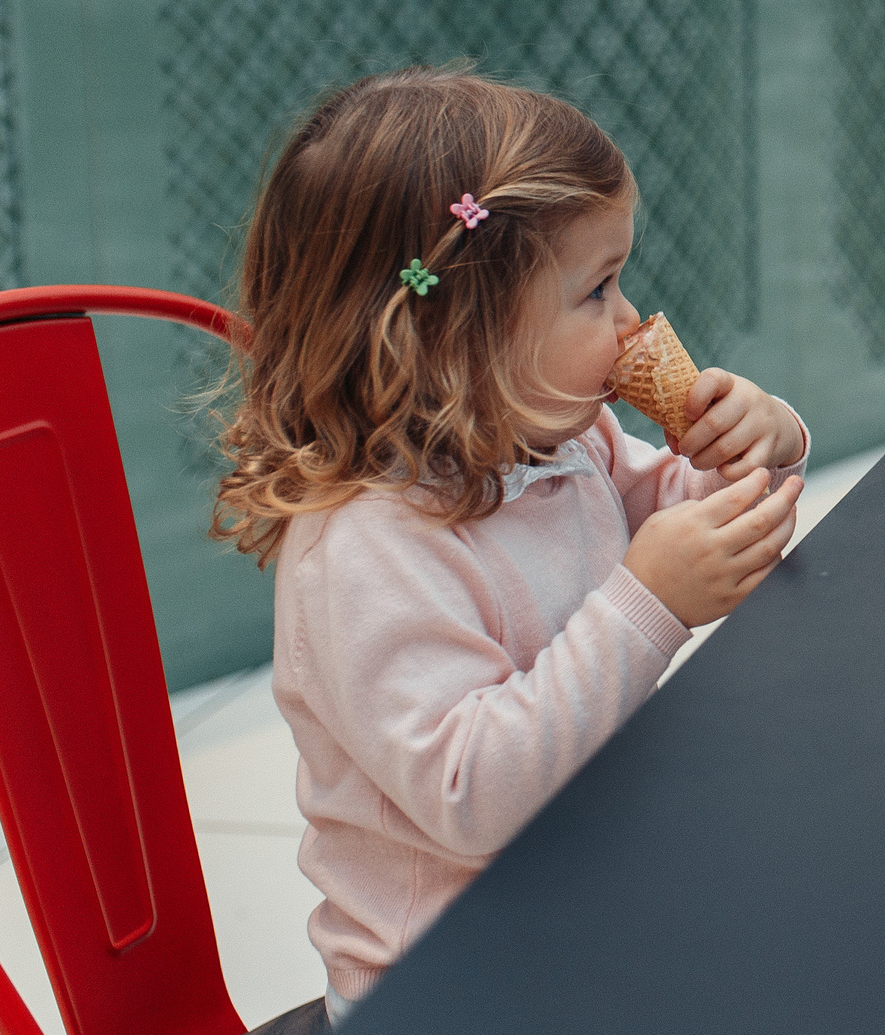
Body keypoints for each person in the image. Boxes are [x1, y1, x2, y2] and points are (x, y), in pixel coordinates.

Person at [211, 67, 807, 1025]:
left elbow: (692, 525)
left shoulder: (560, 440)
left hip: (586, 914)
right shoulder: (367, 545)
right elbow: (470, 794)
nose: (631, 321)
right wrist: (649, 601)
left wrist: (756, 447)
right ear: (456, 334)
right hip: (453, 984)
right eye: (597, 290)